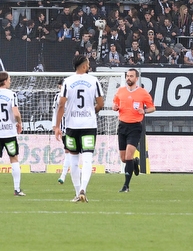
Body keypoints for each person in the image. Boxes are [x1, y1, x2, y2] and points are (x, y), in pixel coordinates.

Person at [54, 55, 104, 203]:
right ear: (83, 66)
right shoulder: (94, 81)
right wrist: (90, 112)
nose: (89, 66)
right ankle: (83, 189)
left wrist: (57, 126)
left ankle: (77, 193)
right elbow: (100, 104)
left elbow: (61, 105)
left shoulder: (67, 82)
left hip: (71, 126)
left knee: (74, 160)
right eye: (88, 64)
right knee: (87, 158)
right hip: (89, 125)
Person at [113, 68, 155, 193]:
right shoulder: (120, 91)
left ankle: (126, 186)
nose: (128, 78)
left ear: (136, 78)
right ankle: (135, 163)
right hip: (122, 126)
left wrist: (145, 111)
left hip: (135, 127)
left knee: (128, 155)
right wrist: (114, 107)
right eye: (127, 76)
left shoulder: (142, 93)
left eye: (131, 76)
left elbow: (152, 108)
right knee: (124, 159)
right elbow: (114, 104)